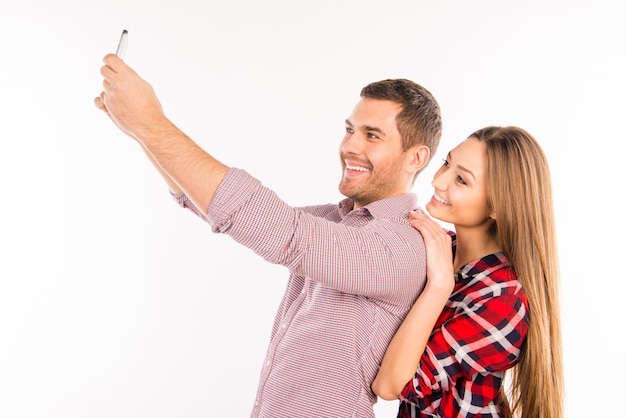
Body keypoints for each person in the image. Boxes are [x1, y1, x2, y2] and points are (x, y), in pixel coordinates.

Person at [94, 52, 443, 417]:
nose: (350, 146)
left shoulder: (405, 244)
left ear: (416, 158)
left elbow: (280, 231)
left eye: (372, 135)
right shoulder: (338, 222)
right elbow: (213, 206)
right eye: (350, 130)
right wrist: (138, 131)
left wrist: (152, 123)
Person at [371, 126, 564, 417]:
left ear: (499, 205)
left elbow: (391, 385)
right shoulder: (438, 247)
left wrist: (439, 286)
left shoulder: (503, 300)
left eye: (461, 180)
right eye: (447, 163)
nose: (438, 181)